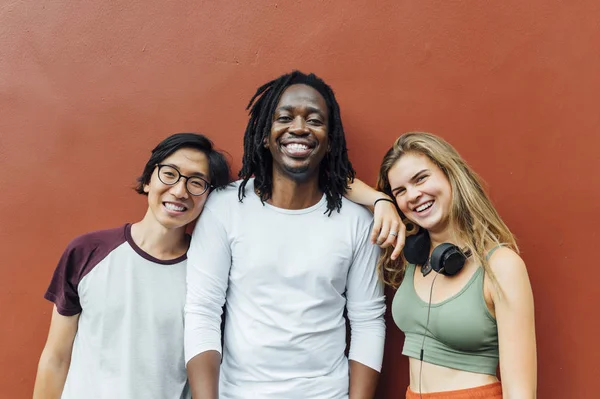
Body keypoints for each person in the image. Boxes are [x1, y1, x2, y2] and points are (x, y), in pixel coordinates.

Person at [184, 71, 388, 399]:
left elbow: (367, 322)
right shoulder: (225, 207)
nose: (299, 128)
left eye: (314, 120)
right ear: (265, 135)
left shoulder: (357, 222)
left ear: (330, 139)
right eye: (284, 117)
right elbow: (202, 310)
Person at [33, 133, 231, 399]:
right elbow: (55, 358)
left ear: (209, 197)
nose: (180, 191)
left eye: (197, 182)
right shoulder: (88, 251)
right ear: (149, 179)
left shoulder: (210, 273)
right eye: (170, 174)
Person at [376, 132, 537, 398]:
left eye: (421, 178)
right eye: (400, 191)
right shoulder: (414, 258)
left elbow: (521, 392)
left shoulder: (501, 266)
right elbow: (338, 182)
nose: (413, 195)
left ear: (451, 174)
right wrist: (379, 201)